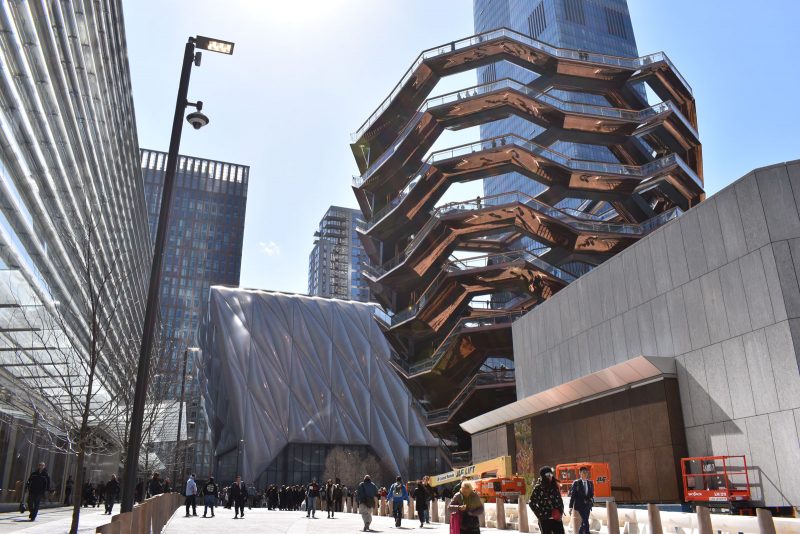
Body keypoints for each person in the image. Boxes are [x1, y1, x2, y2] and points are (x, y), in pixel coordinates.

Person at [528, 466, 565, 534]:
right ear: (543, 476)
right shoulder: (538, 488)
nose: (550, 476)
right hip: (545, 520)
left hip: (556, 518)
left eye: (551, 474)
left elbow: (560, 500)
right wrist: (540, 515)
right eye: (548, 475)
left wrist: (561, 511)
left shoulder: (554, 486)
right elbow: (531, 503)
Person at [568, 467, 594, 534]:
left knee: (584, 522)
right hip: (580, 506)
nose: (585, 474)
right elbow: (573, 495)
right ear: (580, 473)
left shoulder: (590, 483)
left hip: (588, 506)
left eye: (586, 472)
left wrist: (591, 500)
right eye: (583, 472)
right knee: (586, 522)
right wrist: (570, 507)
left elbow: (591, 494)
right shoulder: (576, 483)